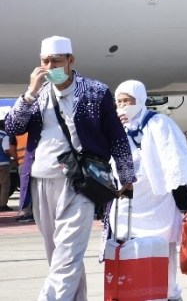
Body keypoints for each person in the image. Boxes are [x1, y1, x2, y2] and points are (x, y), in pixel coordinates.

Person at [3, 36, 135, 301]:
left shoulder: (95, 92)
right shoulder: (37, 93)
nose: (50, 66)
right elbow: (13, 127)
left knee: (68, 253)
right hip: (41, 181)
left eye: (56, 61)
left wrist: (126, 176)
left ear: (70, 60)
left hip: (81, 182)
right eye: (45, 61)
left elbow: (117, 135)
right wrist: (29, 93)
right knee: (59, 256)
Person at [111, 79, 187, 301]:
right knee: (129, 251)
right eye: (120, 101)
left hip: (159, 201)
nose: (124, 106)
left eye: (128, 101)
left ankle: (170, 294)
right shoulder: (115, 127)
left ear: (140, 100)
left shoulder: (159, 123)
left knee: (163, 251)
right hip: (129, 202)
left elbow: (179, 157)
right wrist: (114, 130)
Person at [0, 124, 11, 211]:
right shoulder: (4, 136)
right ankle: (3, 205)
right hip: (3, 163)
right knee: (4, 184)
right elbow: (6, 149)